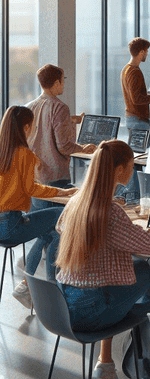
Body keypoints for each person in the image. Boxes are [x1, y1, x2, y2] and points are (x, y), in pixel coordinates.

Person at [55, 140, 150, 379]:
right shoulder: (111, 213)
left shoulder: (77, 202)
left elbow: (60, 227)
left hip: (64, 304)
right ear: (119, 170)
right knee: (147, 279)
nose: (134, 169)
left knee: (132, 271)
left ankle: (106, 361)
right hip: (90, 313)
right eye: (131, 165)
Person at [0, 106, 77, 309]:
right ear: (26, 127)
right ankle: (54, 290)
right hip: (11, 225)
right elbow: (31, 189)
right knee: (61, 216)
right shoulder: (23, 154)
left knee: (51, 232)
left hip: (3, 225)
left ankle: (29, 287)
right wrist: (63, 192)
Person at [26, 64, 96, 211]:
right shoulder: (60, 107)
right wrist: (84, 149)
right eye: (63, 80)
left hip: (35, 176)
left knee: (41, 226)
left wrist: (71, 120)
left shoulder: (29, 107)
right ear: (57, 83)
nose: (64, 84)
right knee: (57, 226)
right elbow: (63, 146)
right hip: (55, 176)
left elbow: (43, 125)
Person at [121, 37, 150, 136]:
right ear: (142, 52)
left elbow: (134, 94)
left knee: (136, 150)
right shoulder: (135, 72)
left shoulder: (125, 69)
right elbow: (137, 99)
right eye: (146, 51)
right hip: (139, 120)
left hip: (131, 117)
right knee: (144, 151)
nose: (147, 54)